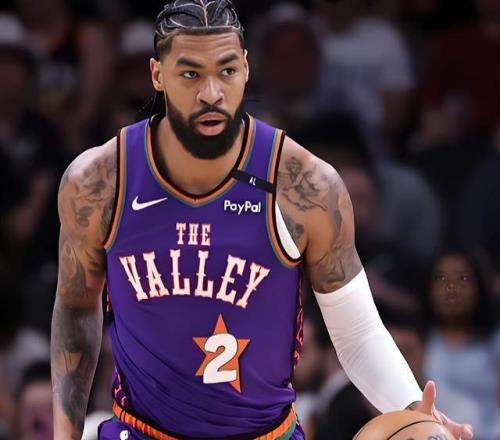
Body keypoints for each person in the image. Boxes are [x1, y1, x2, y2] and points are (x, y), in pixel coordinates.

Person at [50, 1, 474, 439]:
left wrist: (415, 408)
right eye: (191, 73)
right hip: (142, 432)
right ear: (157, 74)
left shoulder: (305, 185)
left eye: (227, 71)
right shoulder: (100, 181)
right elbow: (76, 309)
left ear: (247, 69)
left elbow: (358, 332)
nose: (211, 92)